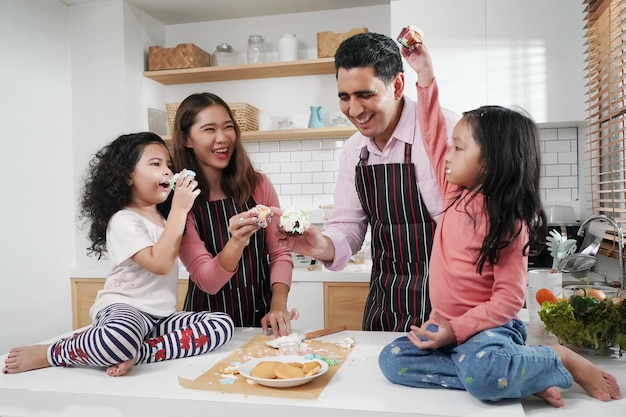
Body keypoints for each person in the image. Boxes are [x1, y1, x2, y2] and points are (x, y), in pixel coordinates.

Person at [377, 40, 621, 407]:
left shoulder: (507, 222)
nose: (447, 154)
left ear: (490, 163)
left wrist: (456, 331)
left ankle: (559, 360)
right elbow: (431, 134)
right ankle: (519, 376)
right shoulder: (453, 193)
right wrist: (424, 75)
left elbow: (507, 301)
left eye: (459, 148)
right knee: (392, 361)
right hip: (447, 327)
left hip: (489, 331)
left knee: (487, 370)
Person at [3, 132, 234, 376]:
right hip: (125, 308)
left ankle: (138, 352)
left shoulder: (167, 220)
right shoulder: (124, 220)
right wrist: (180, 207)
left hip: (161, 318)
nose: (167, 171)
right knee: (119, 337)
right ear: (127, 176)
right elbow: (160, 263)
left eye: (168, 165)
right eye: (156, 164)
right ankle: (50, 352)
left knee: (221, 325)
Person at [276, 32, 460, 331]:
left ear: (397, 85)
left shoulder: (449, 132)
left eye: (365, 95)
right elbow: (348, 225)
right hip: (386, 301)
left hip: (450, 303)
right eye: (345, 98)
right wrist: (321, 245)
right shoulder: (354, 151)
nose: (355, 110)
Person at [171, 93, 296, 337]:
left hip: (261, 320)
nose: (223, 137)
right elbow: (207, 280)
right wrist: (237, 242)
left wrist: (278, 306)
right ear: (187, 139)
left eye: (228, 127)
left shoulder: (258, 185)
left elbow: (279, 253)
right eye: (209, 129)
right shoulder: (180, 201)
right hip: (205, 329)